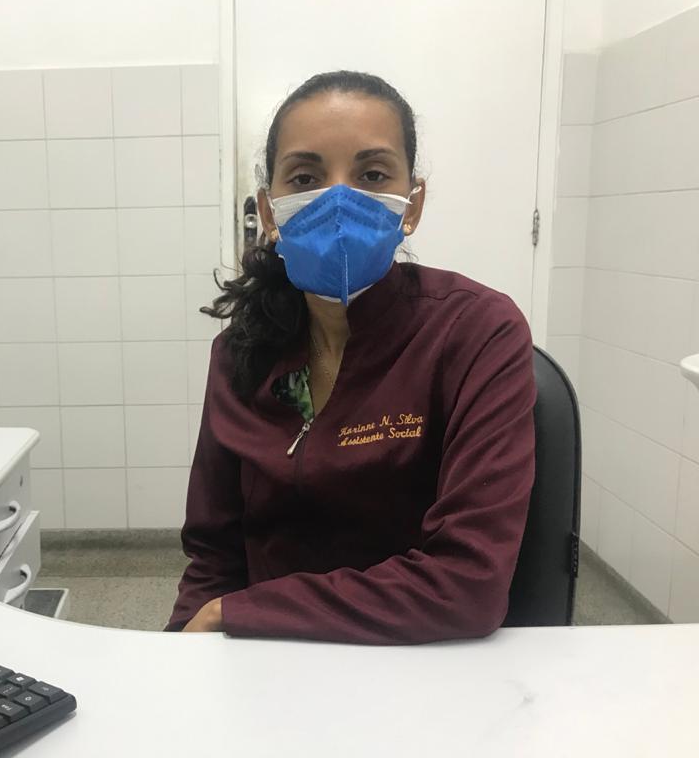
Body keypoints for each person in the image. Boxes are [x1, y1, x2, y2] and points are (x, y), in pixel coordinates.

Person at [165, 70, 536, 644]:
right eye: (306, 177)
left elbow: (468, 583)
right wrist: (179, 655)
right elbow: (214, 555)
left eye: (372, 175)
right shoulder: (241, 352)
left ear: (411, 205)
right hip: (262, 660)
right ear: (270, 212)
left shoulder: (476, 333)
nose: (338, 200)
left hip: (421, 661)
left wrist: (236, 613)